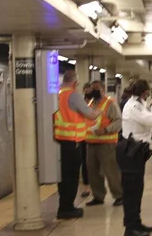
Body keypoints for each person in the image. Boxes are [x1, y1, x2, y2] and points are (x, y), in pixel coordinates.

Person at [53, 71, 100, 219]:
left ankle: (64, 205)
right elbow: (90, 114)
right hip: (72, 141)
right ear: (75, 83)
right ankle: (67, 208)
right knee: (72, 176)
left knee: (63, 175)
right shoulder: (73, 95)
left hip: (60, 140)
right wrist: (98, 112)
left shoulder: (58, 94)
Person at [119, 80, 152, 236]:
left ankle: (136, 222)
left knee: (137, 190)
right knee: (131, 191)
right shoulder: (134, 106)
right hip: (131, 152)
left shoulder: (139, 103)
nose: (149, 95)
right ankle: (130, 228)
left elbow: (149, 126)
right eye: (148, 92)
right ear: (144, 92)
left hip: (137, 152)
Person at [85, 81, 124, 207]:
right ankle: (98, 196)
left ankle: (119, 195)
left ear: (103, 89)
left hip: (107, 143)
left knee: (111, 171)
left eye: (96, 89)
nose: (93, 91)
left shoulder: (110, 103)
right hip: (91, 142)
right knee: (93, 172)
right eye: (92, 89)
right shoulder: (90, 103)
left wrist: (106, 130)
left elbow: (118, 121)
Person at [80, 83, 92, 198]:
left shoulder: (96, 104)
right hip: (83, 137)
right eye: (86, 91)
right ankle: (86, 188)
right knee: (85, 163)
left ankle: (95, 186)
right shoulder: (80, 103)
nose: (87, 93)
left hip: (94, 138)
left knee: (92, 164)